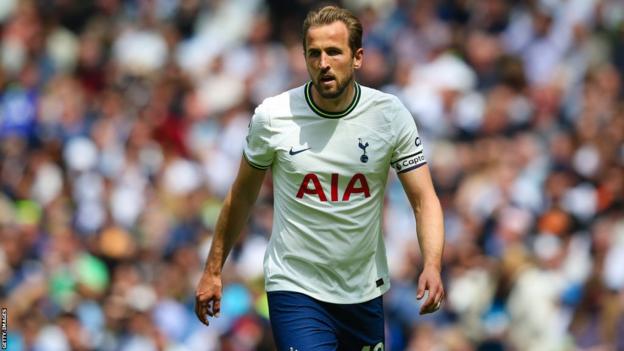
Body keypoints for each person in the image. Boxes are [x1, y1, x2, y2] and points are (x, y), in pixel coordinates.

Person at [195, 5, 445, 350]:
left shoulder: (389, 116)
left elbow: (424, 199)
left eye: (333, 52)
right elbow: (241, 196)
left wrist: (432, 263)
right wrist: (212, 269)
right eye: (314, 53)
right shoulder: (273, 117)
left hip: (363, 291)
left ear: (357, 57)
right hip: (296, 288)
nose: (323, 62)